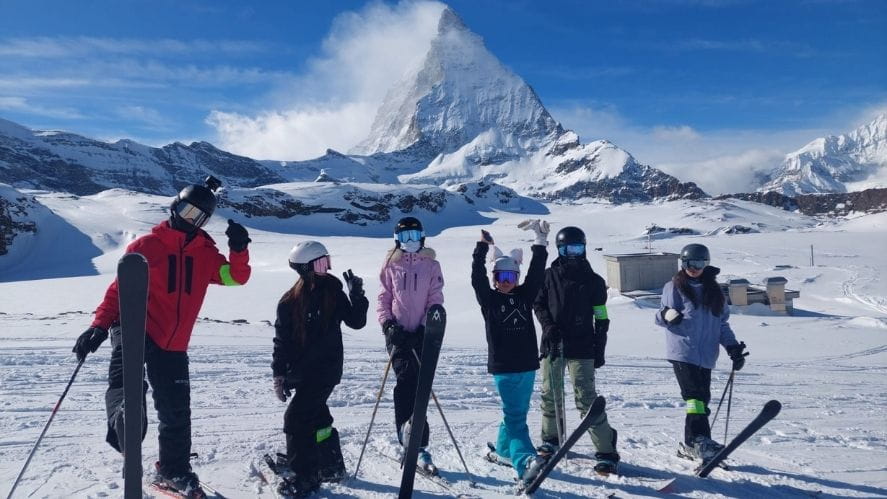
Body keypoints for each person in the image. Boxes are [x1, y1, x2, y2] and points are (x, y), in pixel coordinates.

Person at [72, 178, 251, 498]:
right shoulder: (147, 247)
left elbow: (235, 277)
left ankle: (173, 470)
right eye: (187, 211)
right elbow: (118, 292)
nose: (190, 219)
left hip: (174, 342)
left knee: (176, 411)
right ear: (175, 205)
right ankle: (126, 421)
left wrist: (238, 250)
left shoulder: (206, 254)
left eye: (199, 217)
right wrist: (99, 326)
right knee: (126, 381)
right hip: (136, 327)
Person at [271, 241, 368, 497]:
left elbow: (356, 321)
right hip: (302, 373)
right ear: (305, 268)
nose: (327, 269)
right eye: (321, 264)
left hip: (326, 371)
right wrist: (279, 374)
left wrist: (357, 296)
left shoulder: (334, 292)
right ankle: (329, 463)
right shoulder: (289, 302)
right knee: (317, 417)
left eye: (328, 262)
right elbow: (282, 342)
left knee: (296, 419)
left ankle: (304, 476)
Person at [532, 226, 620, 475]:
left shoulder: (594, 281)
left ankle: (606, 450)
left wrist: (599, 348)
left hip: (582, 346)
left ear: (584, 248)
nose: (572, 254)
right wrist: (548, 326)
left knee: (586, 398)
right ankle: (551, 439)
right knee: (550, 394)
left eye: (577, 248)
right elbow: (538, 304)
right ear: (559, 250)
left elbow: (601, 317)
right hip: (553, 344)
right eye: (567, 249)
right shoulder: (548, 276)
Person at [472, 220, 550, 488]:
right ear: (494, 279)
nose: (506, 282)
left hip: (527, 366)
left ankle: (505, 451)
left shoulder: (525, 296)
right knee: (516, 418)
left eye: (511, 277)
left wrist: (540, 241)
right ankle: (525, 461)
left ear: (517, 278)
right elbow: (476, 278)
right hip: (504, 368)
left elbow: (537, 273)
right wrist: (481, 248)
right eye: (501, 277)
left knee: (515, 413)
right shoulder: (489, 300)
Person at [655, 243, 748, 464]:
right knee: (694, 398)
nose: (693, 268)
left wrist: (733, 348)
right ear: (683, 263)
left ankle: (693, 444)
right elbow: (659, 316)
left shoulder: (714, 291)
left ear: (706, 264)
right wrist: (667, 315)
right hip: (682, 351)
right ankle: (700, 440)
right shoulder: (674, 287)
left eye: (698, 263)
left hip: (706, 356)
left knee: (702, 400)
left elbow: (721, 324)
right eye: (689, 263)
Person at [377, 216, 444, 474]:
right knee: (406, 381)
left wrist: (426, 328)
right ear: (397, 240)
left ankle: (419, 444)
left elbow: (435, 299)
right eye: (404, 237)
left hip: (423, 336)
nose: (410, 241)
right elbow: (383, 299)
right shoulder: (390, 265)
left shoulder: (431, 265)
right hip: (397, 336)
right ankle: (406, 438)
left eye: (414, 236)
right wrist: (388, 325)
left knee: (420, 387)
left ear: (422, 237)